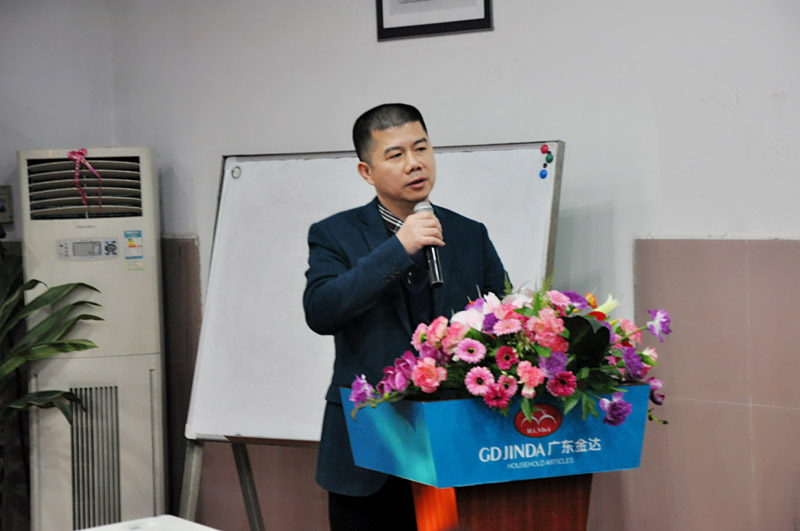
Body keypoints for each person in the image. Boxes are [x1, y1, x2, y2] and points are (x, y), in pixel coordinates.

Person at [303, 103, 507, 530]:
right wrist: (399, 248)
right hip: (369, 445)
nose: (415, 163)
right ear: (367, 171)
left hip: (450, 443)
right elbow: (322, 311)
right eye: (395, 155)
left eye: (422, 148)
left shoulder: (469, 234)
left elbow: (501, 320)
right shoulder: (334, 234)